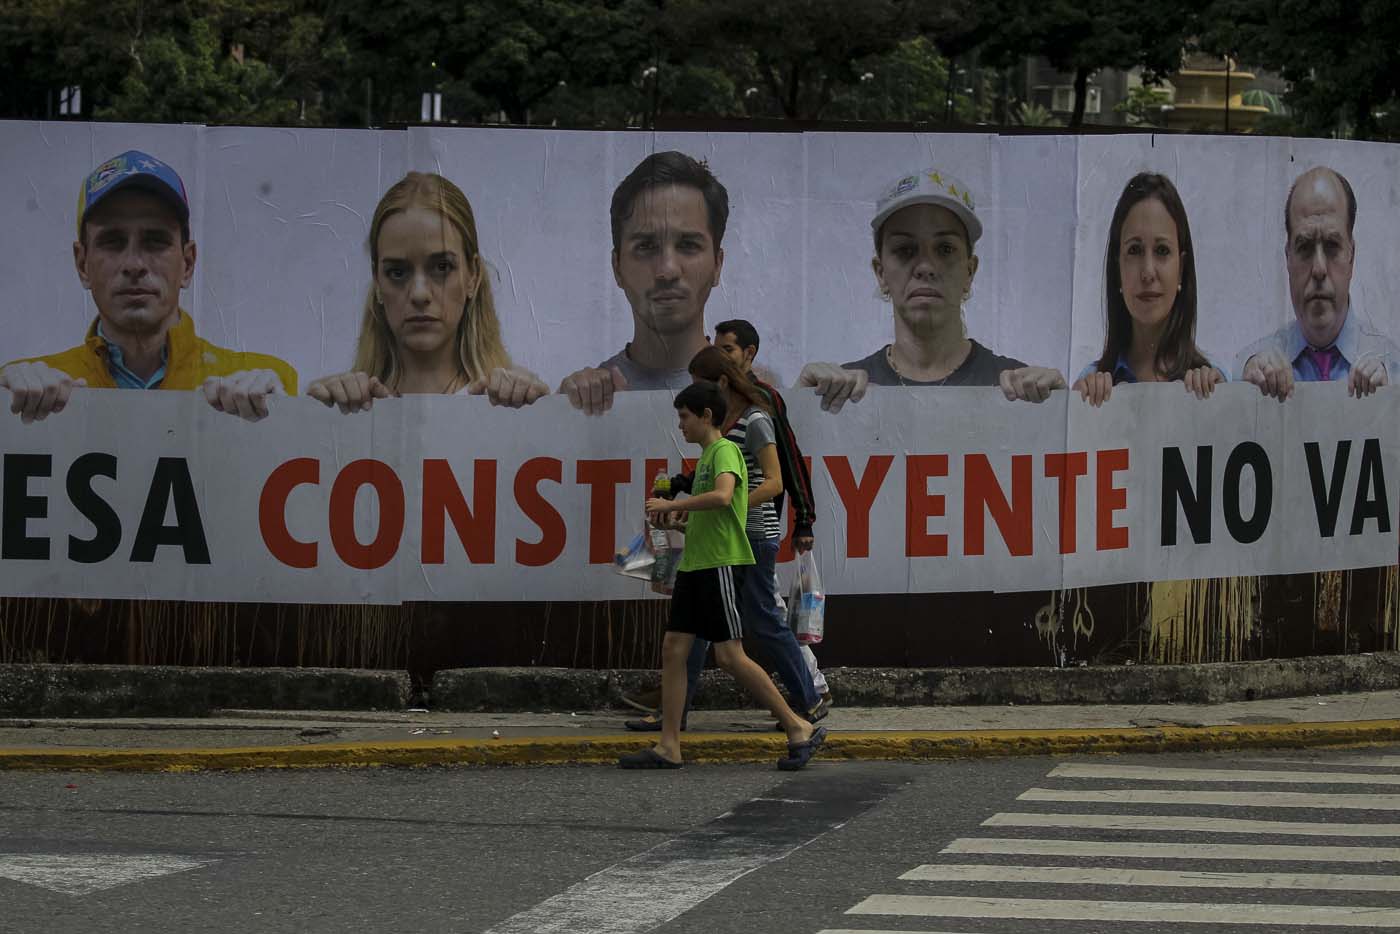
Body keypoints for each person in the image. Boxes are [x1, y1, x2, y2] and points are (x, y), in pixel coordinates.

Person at [619, 380, 827, 770]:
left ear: (706, 416)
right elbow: (715, 515)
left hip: (718, 566)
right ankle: (669, 746)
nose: (680, 425)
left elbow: (724, 497)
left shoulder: (724, 451)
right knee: (674, 650)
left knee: (730, 657)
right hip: (696, 566)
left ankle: (798, 726)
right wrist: (678, 520)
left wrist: (672, 502)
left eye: (684, 417)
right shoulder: (706, 460)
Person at [0, 150, 296, 423]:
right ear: (82, 264)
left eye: (155, 241)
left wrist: (283, 421)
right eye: (112, 242)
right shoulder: (20, 389)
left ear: (188, 263)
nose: (134, 264)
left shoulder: (268, 383)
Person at [795, 167, 1066, 410]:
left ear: (969, 271)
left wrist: (1067, 416)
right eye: (905, 250)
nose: (925, 266)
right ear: (881, 273)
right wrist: (797, 412)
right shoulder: (836, 398)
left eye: (945, 249)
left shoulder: (1022, 393)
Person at [306, 172, 547, 411]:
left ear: (472, 274)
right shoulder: (334, 407)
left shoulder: (521, 403)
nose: (420, 294)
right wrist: (292, 414)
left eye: (442, 267)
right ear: (377, 280)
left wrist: (568, 405)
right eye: (397, 272)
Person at [715, 318, 830, 709]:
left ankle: (811, 689)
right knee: (759, 613)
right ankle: (811, 689)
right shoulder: (722, 405)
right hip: (731, 529)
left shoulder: (762, 403)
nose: (722, 358)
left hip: (754, 527)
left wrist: (804, 519)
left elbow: (788, 462)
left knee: (767, 615)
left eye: (727, 350)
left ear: (749, 354)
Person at [559, 151, 725, 413]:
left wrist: (811, 400)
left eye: (688, 245)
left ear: (717, 264)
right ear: (617, 267)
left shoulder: (761, 392)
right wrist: (556, 415)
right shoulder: (582, 402)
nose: (667, 270)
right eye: (646, 246)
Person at [1235, 166, 1398, 400]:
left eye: (1332, 245)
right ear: (1287, 258)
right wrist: (1243, 400)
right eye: (1304, 247)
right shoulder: (1247, 372)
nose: (1319, 269)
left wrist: (1391, 415)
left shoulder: (1394, 372)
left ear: (1351, 256)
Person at [1074, 173, 1226, 406]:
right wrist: (1076, 409)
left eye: (1162, 251)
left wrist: (1223, 403)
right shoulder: (1089, 383)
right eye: (1134, 250)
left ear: (1182, 268)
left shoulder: (1215, 382)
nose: (1147, 272)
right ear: (1118, 268)